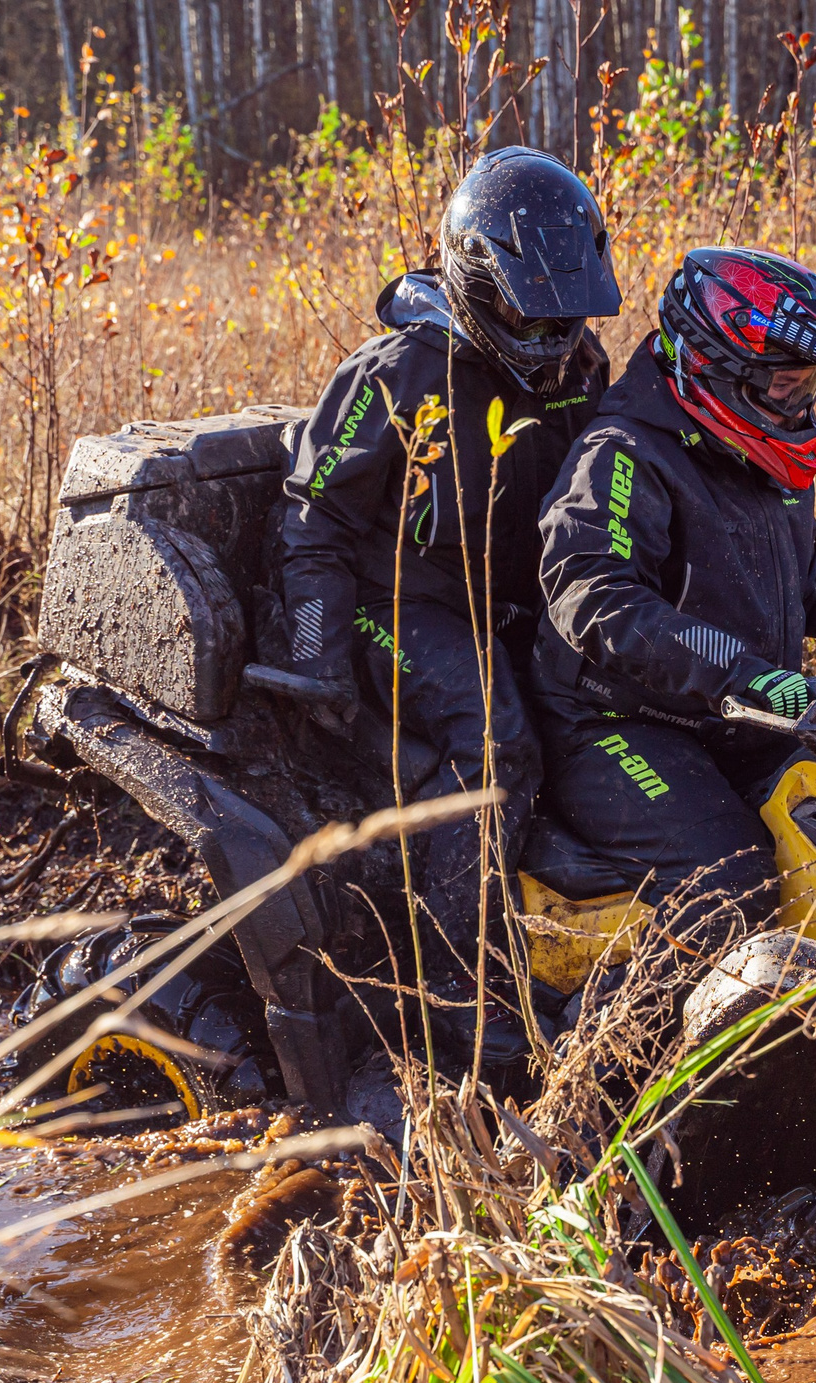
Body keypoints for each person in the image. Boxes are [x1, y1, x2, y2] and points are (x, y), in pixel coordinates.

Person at [266, 147, 619, 1067]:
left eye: (562, 309)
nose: (548, 333)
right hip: (399, 596)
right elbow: (314, 519)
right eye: (523, 310)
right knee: (496, 734)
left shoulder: (579, 368)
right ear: (475, 283)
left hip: (508, 595)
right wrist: (315, 649)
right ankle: (459, 991)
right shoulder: (395, 372)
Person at [531, 246, 816, 952]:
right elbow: (594, 594)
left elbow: (814, 580)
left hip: (739, 716)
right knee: (735, 882)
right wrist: (742, 674)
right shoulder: (622, 453)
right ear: (717, 368)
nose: (799, 404)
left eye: (808, 387)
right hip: (617, 724)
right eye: (784, 387)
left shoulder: (758, 455)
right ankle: (602, 1053)